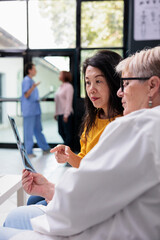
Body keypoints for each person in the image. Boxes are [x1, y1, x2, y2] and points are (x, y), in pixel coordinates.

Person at [1, 46, 160, 240]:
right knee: (28, 207)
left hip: (87, 223)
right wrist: (53, 187)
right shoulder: (104, 121)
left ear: (152, 86)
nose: (120, 92)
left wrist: (52, 192)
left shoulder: (137, 127)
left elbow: (82, 202)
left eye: (125, 84)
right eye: (87, 82)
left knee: (13, 220)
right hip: (90, 216)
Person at [27, 50, 123, 205]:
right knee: (33, 197)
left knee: (36, 202)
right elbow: (84, 163)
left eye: (98, 81)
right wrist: (69, 155)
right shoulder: (93, 118)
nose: (91, 89)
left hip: (95, 196)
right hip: (83, 184)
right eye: (88, 82)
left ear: (114, 82)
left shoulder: (121, 125)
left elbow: (99, 174)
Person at [21, 63, 50, 158]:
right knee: (28, 132)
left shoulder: (31, 80)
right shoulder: (26, 80)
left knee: (38, 130)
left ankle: (45, 148)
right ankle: (28, 152)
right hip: (29, 111)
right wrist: (33, 87)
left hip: (35, 110)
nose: (36, 71)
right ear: (29, 70)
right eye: (34, 69)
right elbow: (26, 95)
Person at [54, 71, 74, 149]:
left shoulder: (69, 86)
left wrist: (66, 115)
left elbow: (69, 101)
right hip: (60, 113)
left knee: (68, 133)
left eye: (60, 74)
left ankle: (67, 150)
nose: (59, 75)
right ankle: (67, 148)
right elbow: (57, 101)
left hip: (66, 114)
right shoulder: (60, 87)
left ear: (64, 76)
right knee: (60, 132)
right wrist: (56, 113)